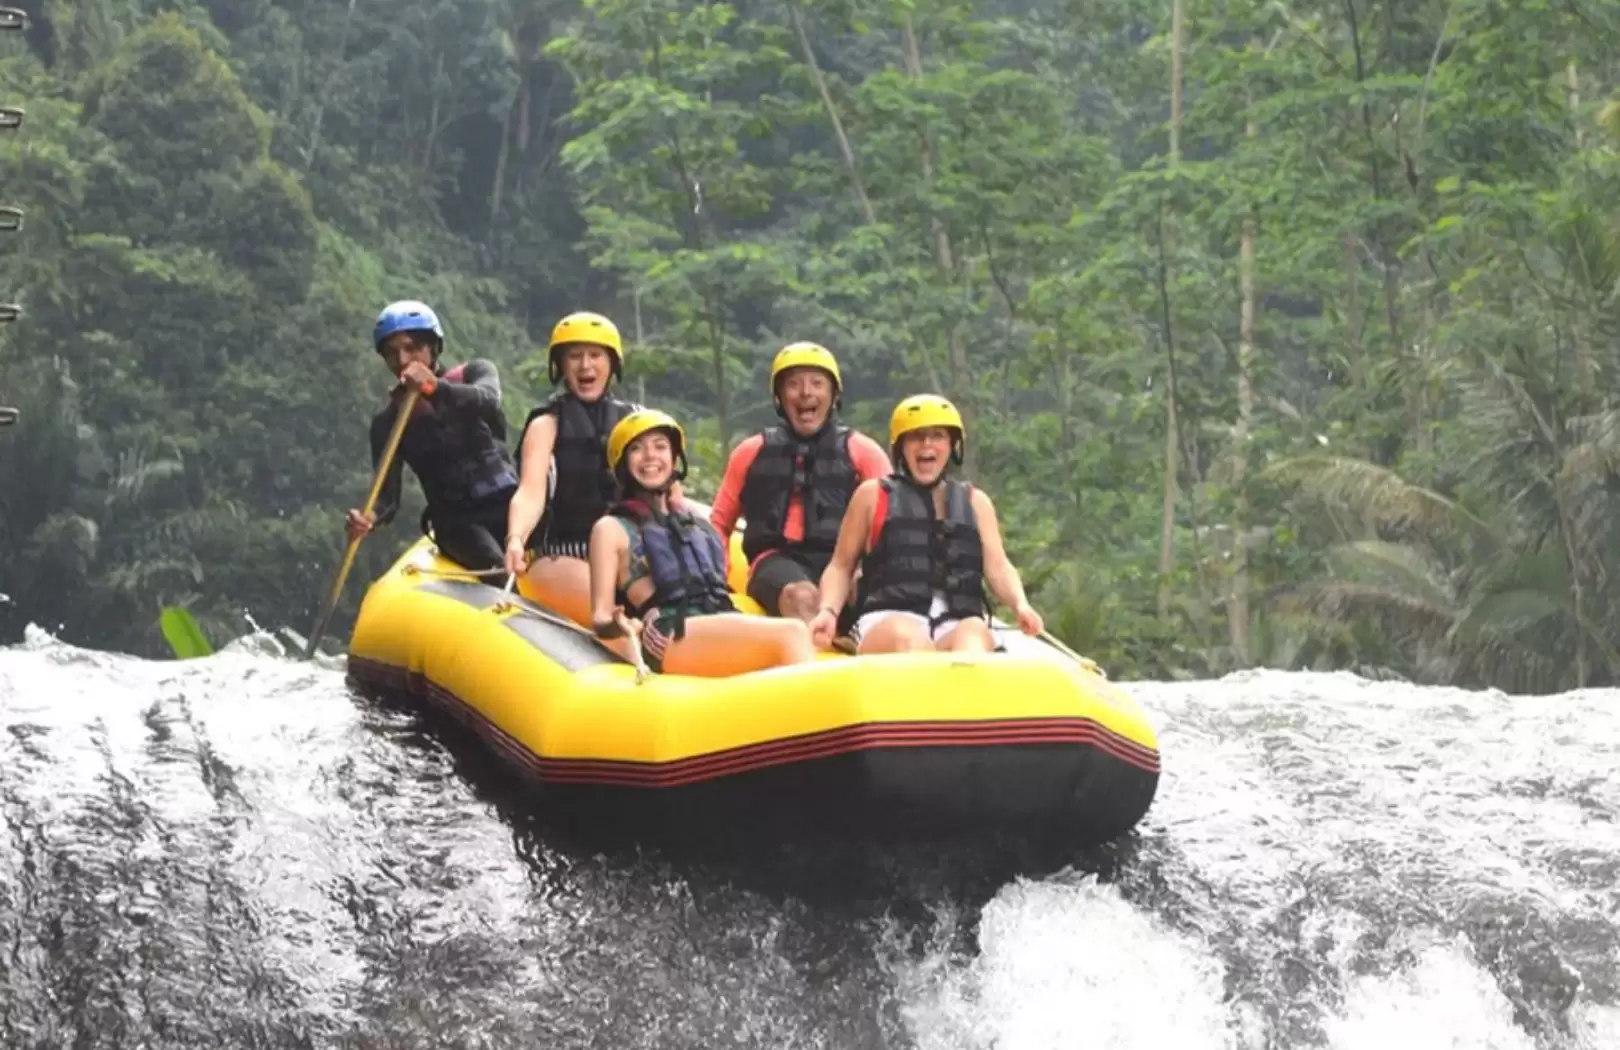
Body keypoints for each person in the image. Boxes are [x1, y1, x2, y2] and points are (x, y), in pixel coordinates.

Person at [809, 395, 1044, 654]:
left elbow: (998, 567)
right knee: (906, 636)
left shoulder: (976, 502)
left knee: (974, 630)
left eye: (937, 436)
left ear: (952, 445)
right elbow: (841, 566)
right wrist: (828, 611)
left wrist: (1020, 605)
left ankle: (961, 687)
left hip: (952, 623)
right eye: (916, 436)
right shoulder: (872, 496)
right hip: (888, 621)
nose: (927, 444)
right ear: (901, 447)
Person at [590, 409, 816, 676]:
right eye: (637, 449)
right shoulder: (611, 529)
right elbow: (600, 617)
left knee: (789, 642)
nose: (650, 456)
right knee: (793, 633)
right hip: (670, 632)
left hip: (713, 619)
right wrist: (619, 624)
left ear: (674, 459)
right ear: (622, 463)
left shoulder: (695, 523)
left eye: (660, 447)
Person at [709, 342, 890, 622]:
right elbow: (719, 525)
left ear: (833, 395)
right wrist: (717, 580)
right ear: (779, 397)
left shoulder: (864, 452)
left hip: (842, 560)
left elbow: (891, 523)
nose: (806, 392)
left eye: (817, 383)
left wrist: (868, 569)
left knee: (861, 589)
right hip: (775, 561)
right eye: (794, 384)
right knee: (802, 596)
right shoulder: (749, 452)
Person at [345, 300, 518, 572]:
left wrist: (435, 389)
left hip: (508, 501)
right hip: (457, 523)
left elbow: (489, 401)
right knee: (495, 565)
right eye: (391, 353)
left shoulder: (474, 373)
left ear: (434, 347)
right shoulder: (388, 422)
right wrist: (370, 517)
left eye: (412, 348)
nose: (402, 361)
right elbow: (388, 498)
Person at [504, 311, 642, 624]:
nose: (585, 366)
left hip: (625, 554)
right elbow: (530, 492)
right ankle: (625, 634)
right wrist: (515, 537)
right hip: (563, 555)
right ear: (561, 366)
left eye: (595, 355)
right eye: (574, 357)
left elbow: (670, 496)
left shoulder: (635, 421)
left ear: (612, 363)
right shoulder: (545, 426)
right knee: (603, 604)